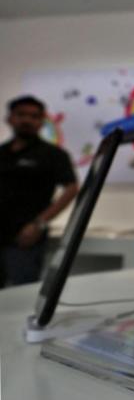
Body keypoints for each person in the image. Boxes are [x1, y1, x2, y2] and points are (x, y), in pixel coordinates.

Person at [0, 96, 78, 286]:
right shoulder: (1, 152)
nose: (27, 120)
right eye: (21, 115)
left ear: (42, 121)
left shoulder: (53, 155)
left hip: (25, 237)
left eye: (34, 116)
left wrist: (39, 223)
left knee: (19, 296)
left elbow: (71, 188)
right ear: (10, 118)